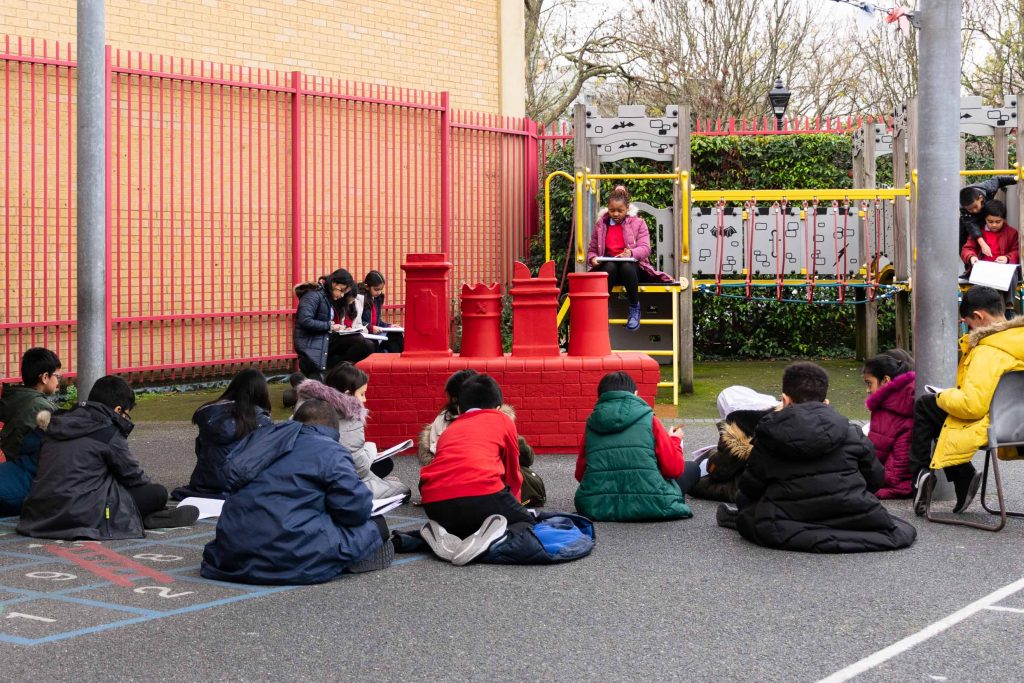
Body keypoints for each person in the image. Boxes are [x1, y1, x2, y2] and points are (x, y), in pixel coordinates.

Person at [720, 362, 917, 553]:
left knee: (747, 514)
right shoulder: (852, 433)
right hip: (850, 515)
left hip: (787, 521)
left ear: (785, 400)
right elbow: (875, 479)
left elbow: (750, 488)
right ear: (825, 402)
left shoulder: (768, 435)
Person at [201, 398, 393, 584]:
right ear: (333, 430)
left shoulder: (260, 440)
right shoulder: (330, 449)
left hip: (231, 554)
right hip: (291, 555)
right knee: (376, 525)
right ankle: (344, 558)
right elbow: (355, 510)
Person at [17, 376, 199, 540]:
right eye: (126, 414)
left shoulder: (58, 422)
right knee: (157, 493)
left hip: (40, 512)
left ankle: (142, 516)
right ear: (118, 409)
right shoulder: (107, 431)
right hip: (81, 514)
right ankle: (145, 517)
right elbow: (134, 477)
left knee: (106, 481)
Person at [911, 285, 1024, 516]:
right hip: (1017, 423)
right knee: (938, 410)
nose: (968, 329)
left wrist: (942, 395)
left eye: (968, 323)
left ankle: (922, 474)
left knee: (928, 405)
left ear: (979, 316)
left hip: (996, 426)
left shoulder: (988, 351)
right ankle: (960, 475)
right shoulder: (1017, 340)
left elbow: (972, 406)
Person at [419, 374, 531, 557]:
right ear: (498, 408)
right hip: (482, 493)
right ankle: (490, 538)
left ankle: (443, 534)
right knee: (525, 524)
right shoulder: (502, 420)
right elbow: (513, 472)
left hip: (434, 503)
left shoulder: (450, 430)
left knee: (469, 522)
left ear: (461, 408)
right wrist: (515, 507)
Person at [574, 371, 694, 521]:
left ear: (601, 396)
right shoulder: (649, 418)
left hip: (595, 506)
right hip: (652, 504)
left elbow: (580, 474)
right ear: (636, 394)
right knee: (692, 468)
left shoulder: (592, 423)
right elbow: (673, 469)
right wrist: (675, 441)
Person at [417, 368, 546, 506]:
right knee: (521, 473)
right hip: (482, 488)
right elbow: (524, 459)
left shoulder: (441, 421)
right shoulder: (497, 420)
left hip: (436, 492)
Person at [294, 362, 411, 500]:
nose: (364, 399)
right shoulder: (350, 419)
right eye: (362, 394)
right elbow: (359, 469)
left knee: (384, 464)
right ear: (347, 394)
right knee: (403, 490)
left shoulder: (305, 405)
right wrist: (370, 451)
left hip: (303, 478)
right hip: (336, 484)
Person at [171, 368, 274, 500]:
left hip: (203, 482)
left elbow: (200, 449)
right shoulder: (261, 418)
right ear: (261, 391)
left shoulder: (209, 411)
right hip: (239, 485)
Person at [586, 185, 672, 331]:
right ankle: (603, 309)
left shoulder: (638, 223)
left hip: (631, 270)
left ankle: (634, 307)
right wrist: (593, 258)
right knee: (609, 266)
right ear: (607, 208)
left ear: (627, 209)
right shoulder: (601, 225)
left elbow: (645, 248)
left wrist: (631, 253)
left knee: (626, 265)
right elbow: (592, 250)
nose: (616, 214)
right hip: (610, 271)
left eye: (620, 211)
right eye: (612, 210)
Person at [0, 348, 61, 515]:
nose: (58, 382)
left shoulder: (14, 397)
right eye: (57, 376)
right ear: (45, 377)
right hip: (30, 476)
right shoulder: (42, 407)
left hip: (13, 466)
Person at [863, 351, 916, 499]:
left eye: (869, 383)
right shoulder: (903, 398)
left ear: (885, 380)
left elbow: (879, 455)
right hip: (895, 475)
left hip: (893, 480)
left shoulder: (889, 406)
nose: (868, 390)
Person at [292, 268, 354, 381]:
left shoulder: (327, 297)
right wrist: (330, 326)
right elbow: (305, 321)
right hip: (310, 343)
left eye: (344, 293)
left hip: (322, 339)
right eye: (341, 290)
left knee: (358, 341)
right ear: (334, 283)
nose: (342, 295)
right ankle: (307, 378)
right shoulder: (313, 295)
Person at [960, 175, 1017, 257]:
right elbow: (971, 225)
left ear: (980, 198)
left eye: (975, 207)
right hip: (970, 221)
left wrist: (1015, 179)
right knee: (964, 242)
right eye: (970, 209)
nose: (974, 211)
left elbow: (998, 180)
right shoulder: (962, 208)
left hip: (986, 216)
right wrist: (982, 243)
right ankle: (970, 265)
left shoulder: (988, 188)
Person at [960, 200, 1020, 271]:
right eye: (990, 221)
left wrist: (1007, 258)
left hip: (1003, 271)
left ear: (1004, 220)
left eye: (998, 222)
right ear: (985, 219)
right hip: (981, 270)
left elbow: (1017, 251)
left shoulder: (1012, 233)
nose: (994, 225)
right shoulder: (978, 232)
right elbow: (967, 249)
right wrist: (971, 257)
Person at [360, 270, 404, 354]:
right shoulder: (360, 299)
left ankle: (400, 361)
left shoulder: (378, 299)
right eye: (376, 289)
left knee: (396, 334)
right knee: (392, 342)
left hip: (375, 333)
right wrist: (371, 327)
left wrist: (389, 325)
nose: (379, 292)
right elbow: (356, 322)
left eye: (381, 290)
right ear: (367, 286)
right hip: (365, 334)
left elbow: (378, 322)